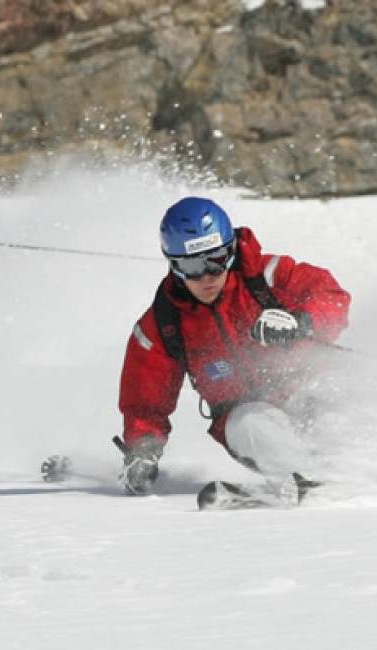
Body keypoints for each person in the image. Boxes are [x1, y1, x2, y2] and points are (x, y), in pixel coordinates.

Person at [117, 196, 351, 497]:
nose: (206, 276)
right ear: (173, 265)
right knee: (247, 423)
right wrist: (142, 451)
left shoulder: (268, 277)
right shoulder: (164, 325)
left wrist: (301, 322)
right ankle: (303, 479)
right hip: (251, 419)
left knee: (341, 399)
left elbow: (332, 297)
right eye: (191, 265)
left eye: (215, 260)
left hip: (309, 389)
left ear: (230, 251)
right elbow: (144, 403)